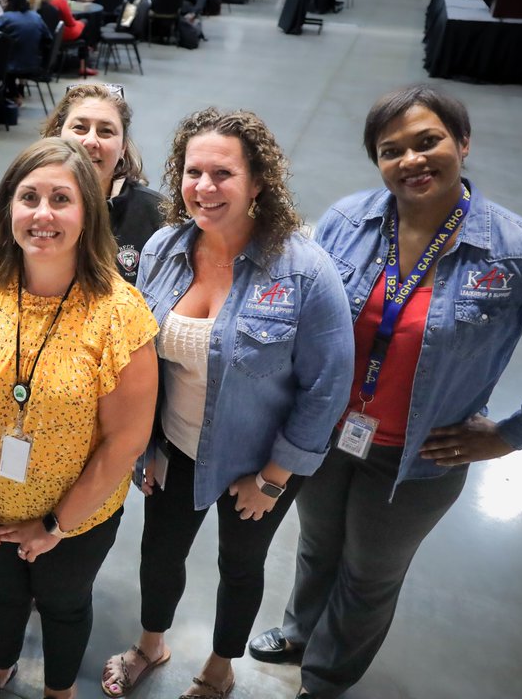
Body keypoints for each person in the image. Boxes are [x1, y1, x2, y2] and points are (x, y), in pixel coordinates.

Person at [247, 86, 522, 698]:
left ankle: (327, 677)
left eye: (428, 141)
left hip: (418, 459)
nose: (412, 160)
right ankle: (301, 629)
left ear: (462, 143)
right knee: (316, 545)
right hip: (329, 435)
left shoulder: (520, 254)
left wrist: (512, 433)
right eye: (392, 150)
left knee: (369, 574)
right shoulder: (347, 222)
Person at [100, 108, 354, 699]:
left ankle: (219, 666)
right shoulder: (165, 247)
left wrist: (272, 479)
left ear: (258, 181)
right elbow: (139, 354)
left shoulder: (304, 271)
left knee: (240, 565)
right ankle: (150, 645)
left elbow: (327, 387)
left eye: (223, 173)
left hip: (258, 461)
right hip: (174, 448)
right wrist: (141, 444)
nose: (205, 188)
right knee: (159, 555)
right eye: (193, 172)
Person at [0, 137, 159, 699]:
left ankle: (59, 690)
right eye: (29, 197)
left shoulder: (119, 313)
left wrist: (55, 526)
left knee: (65, 605)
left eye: (61, 199)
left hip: (77, 521)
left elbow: (125, 442)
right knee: (0, 595)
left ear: (87, 213)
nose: (42, 215)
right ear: (7, 207)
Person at [41, 83, 164, 284]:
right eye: (79, 128)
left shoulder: (156, 215)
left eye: (105, 131)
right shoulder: (25, 204)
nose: (91, 141)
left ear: (123, 146)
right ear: (57, 136)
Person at [0, 0, 52, 104]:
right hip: (36, 65)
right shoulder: (36, 17)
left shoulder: (6, 17)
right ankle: (18, 91)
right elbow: (48, 38)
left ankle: (13, 95)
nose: (3, 5)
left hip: (13, 67)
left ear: (11, 3)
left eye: (5, 2)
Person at [36, 0, 96, 77]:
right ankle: (83, 66)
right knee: (84, 23)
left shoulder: (38, 0)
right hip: (60, 34)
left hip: (45, 34)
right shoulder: (59, 0)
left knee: (82, 24)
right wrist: (80, 23)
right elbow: (70, 23)